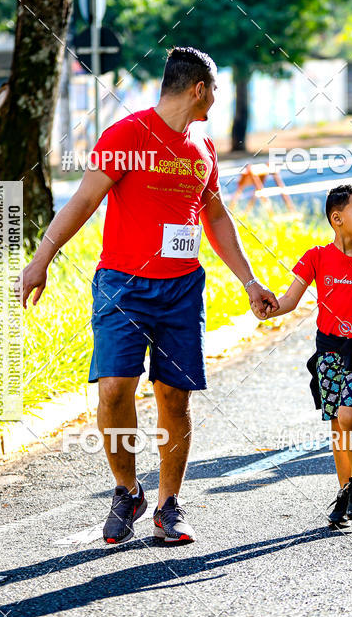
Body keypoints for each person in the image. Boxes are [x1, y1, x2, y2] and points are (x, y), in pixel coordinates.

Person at [18, 46, 278, 545]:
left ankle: (168, 505)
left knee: (173, 398)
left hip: (182, 289)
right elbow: (85, 199)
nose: (216, 99)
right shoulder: (126, 135)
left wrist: (250, 282)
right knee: (114, 389)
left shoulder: (202, 149)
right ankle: (125, 491)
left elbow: (217, 217)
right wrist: (40, 259)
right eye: (215, 90)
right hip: (123, 284)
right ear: (199, 89)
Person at [251, 185, 352, 528]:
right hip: (328, 350)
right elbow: (290, 300)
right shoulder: (316, 257)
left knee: (349, 415)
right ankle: (345, 491)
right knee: (336, 422)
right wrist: (267, 310)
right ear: (337, 219)